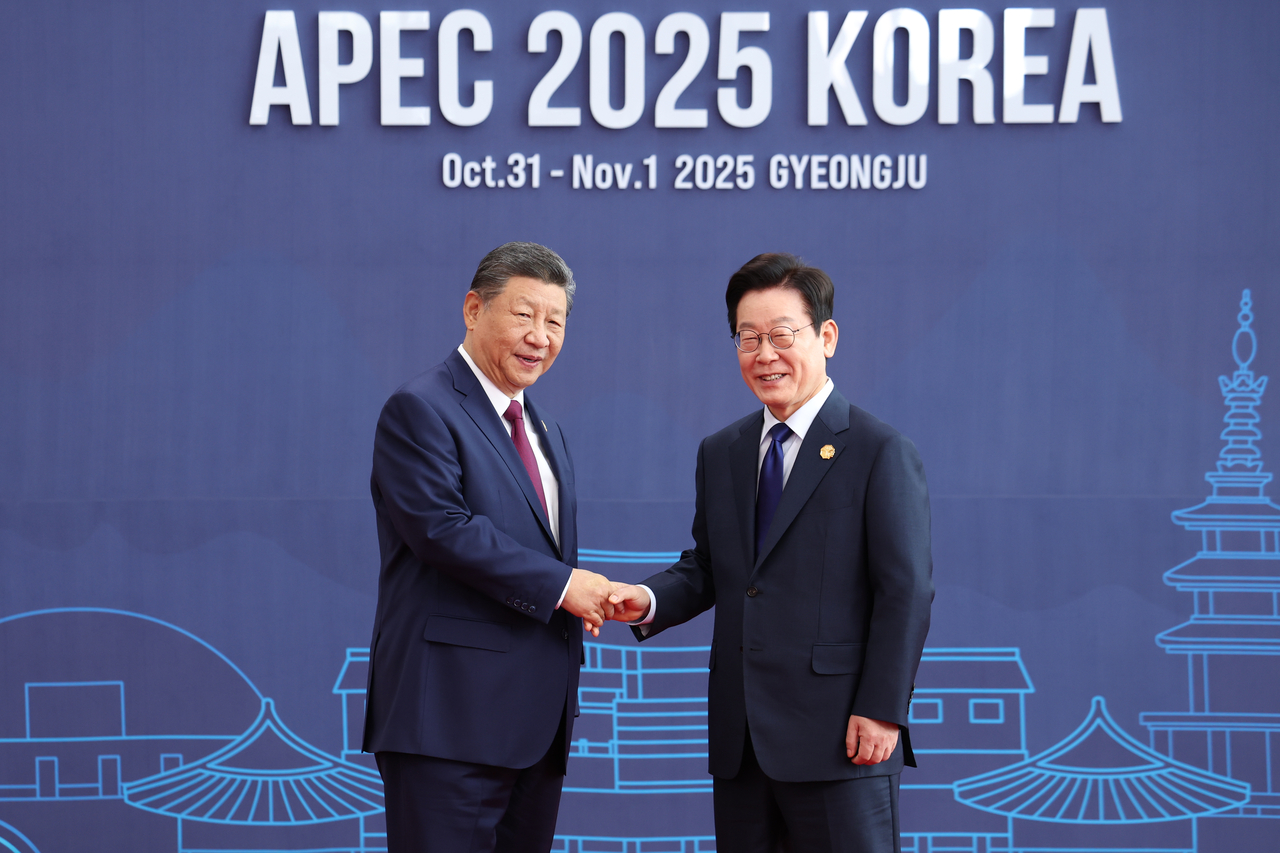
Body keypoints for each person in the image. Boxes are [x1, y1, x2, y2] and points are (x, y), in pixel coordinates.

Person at [609, 253, 934, 853]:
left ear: (826, 337)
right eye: (748, 337)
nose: (764, 354)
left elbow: (905, 588)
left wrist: (883, 708)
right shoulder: (722, 451)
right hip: (743, 743)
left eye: (781, 336)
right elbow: (711, 567)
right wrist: (647, 599)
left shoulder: (877, 449)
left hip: (844, 737)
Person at [363, 242, 616, 853]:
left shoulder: (545, 428)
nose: (540, 336)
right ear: (474, 309)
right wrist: (565, 586)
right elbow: (441, 529)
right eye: (523, 314)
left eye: (555, 322)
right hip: (448, 722)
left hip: (536, 727)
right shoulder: (420, 409)